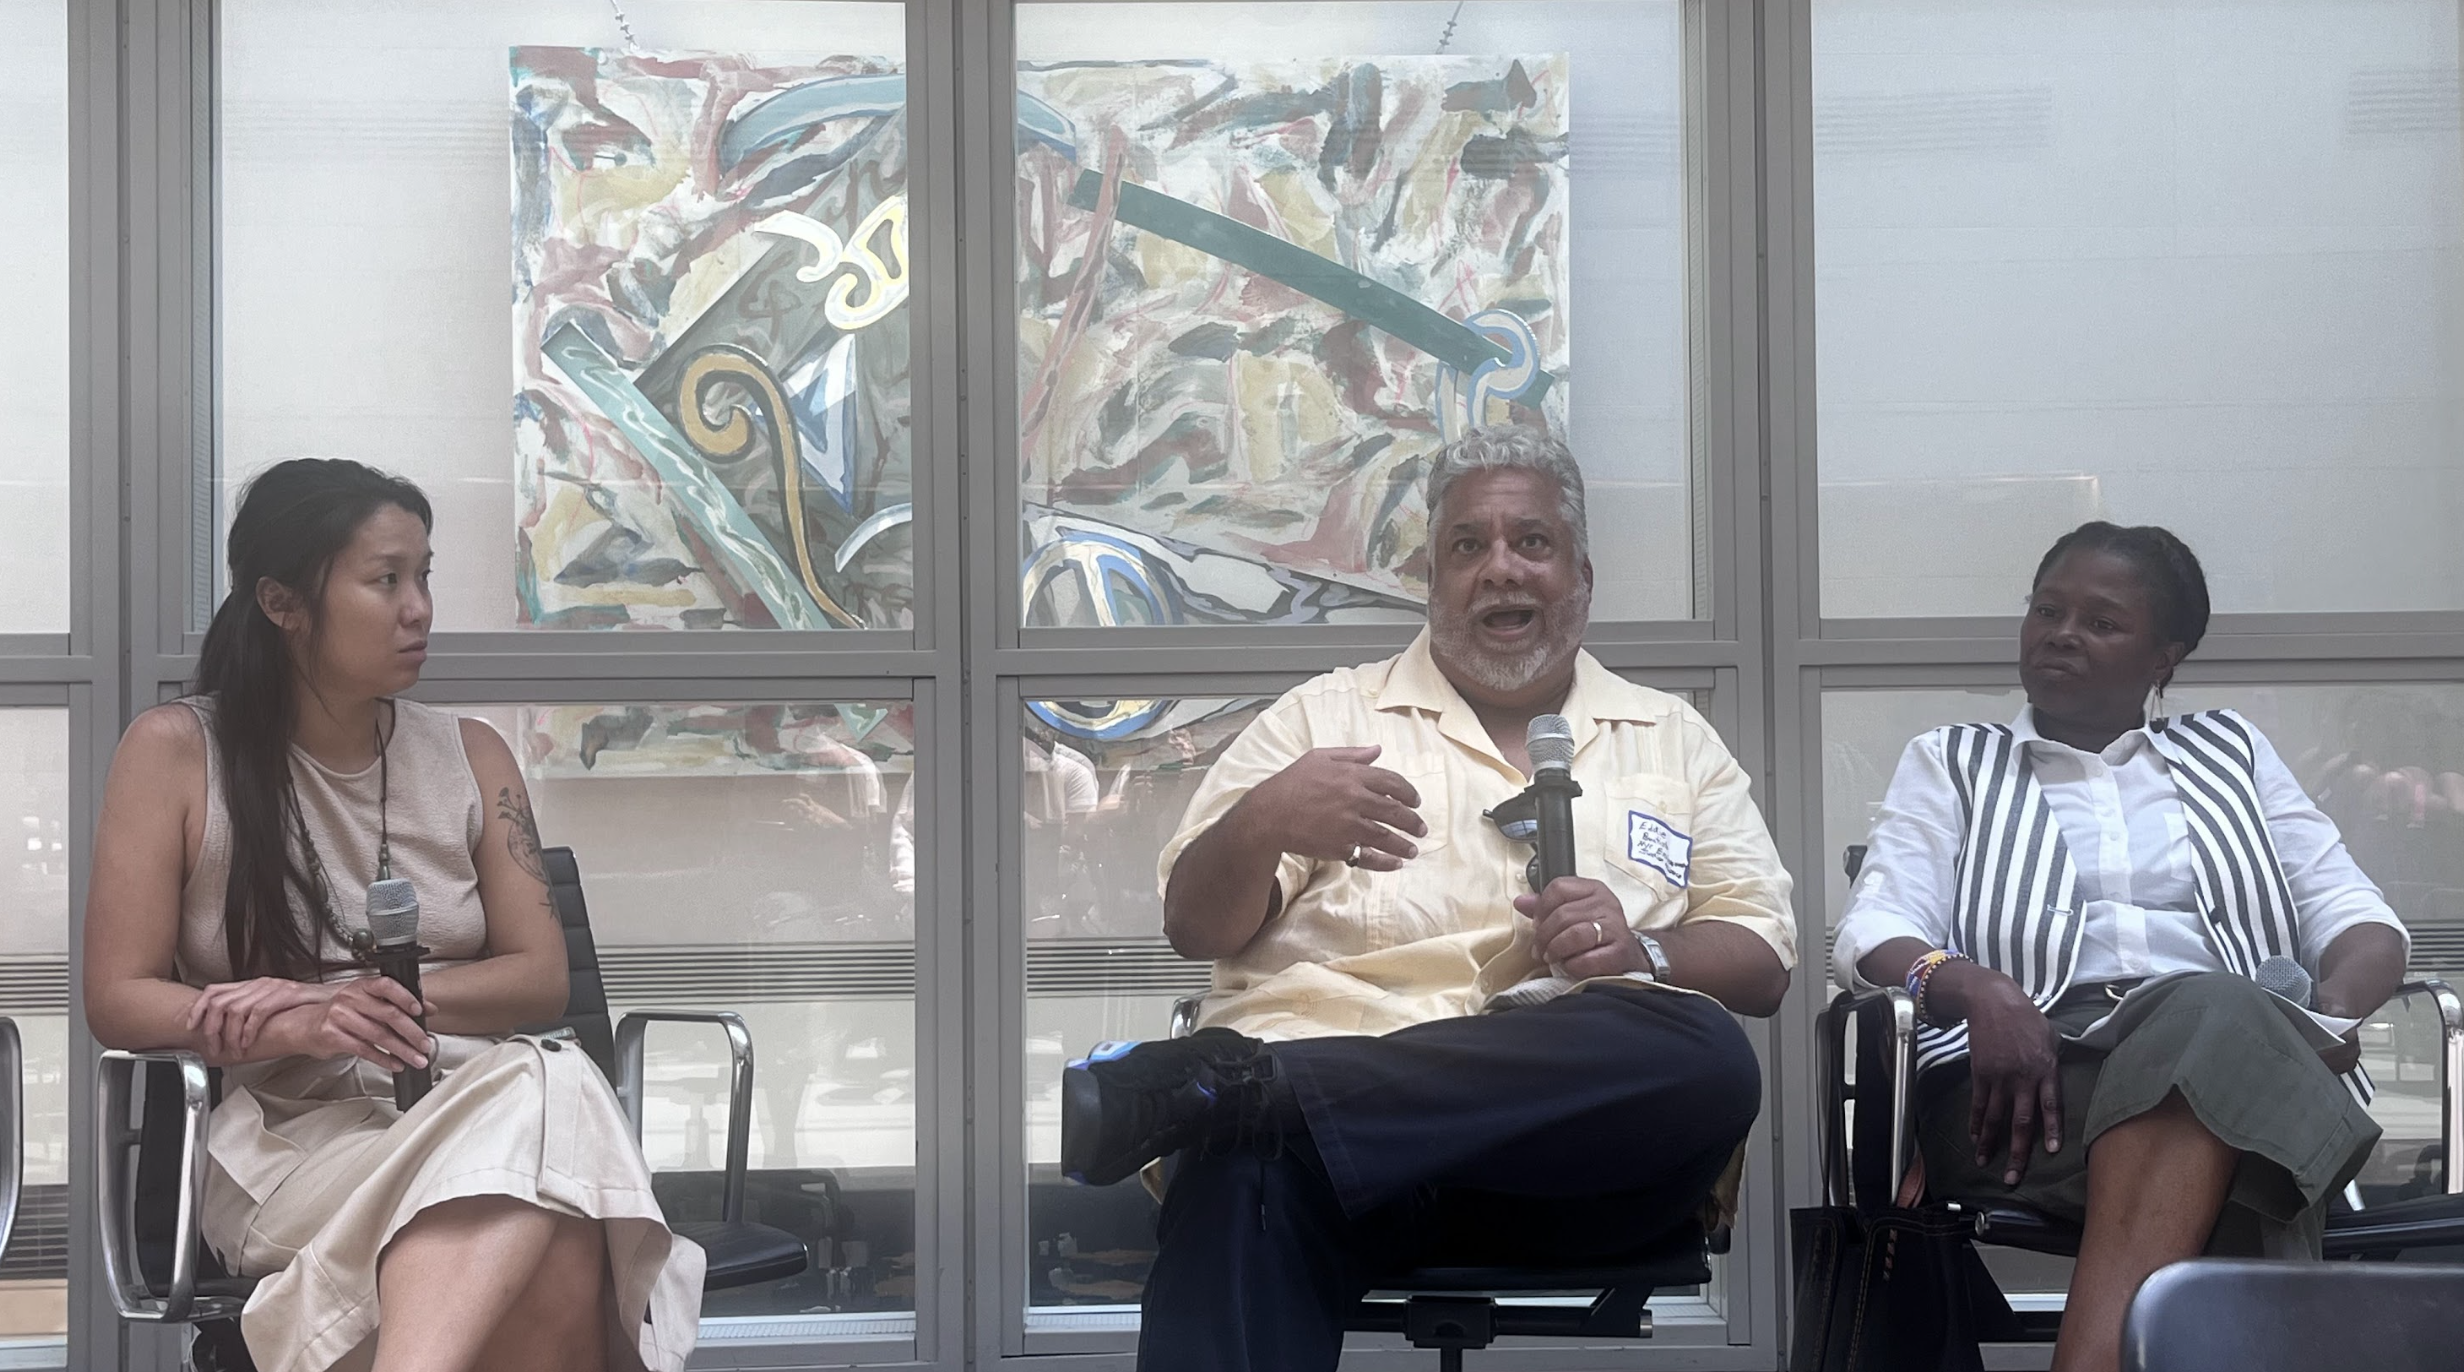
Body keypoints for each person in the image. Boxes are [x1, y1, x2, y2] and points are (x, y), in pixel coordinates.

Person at [1058, 425, 1796, 1372]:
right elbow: (1193, 925)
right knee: (1238, 1180)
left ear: (1581, 573)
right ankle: (1260, 1107)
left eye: (1532, 542)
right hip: (1319, 1173)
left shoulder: (1673, 737)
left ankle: (1252, 1091)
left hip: (1571, 1165)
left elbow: (1766, 962)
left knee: (1710, 1056)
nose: (1501, 570)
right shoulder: (1324, 718)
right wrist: (1264, 819)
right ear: (1432, 577)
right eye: (1467, 547)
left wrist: (1642, 954)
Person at [84, 460, 703, 1372]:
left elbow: (540, 976)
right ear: (283, 602)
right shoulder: (176, 753)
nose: (418, 607)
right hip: (291, 1147)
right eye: (385, 580)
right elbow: (115, 998)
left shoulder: (473, 754)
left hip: (470, 1110)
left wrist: (389, 1000)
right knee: (558, 1161)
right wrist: (306, 1015)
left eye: (424, 575)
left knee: (543, 1105)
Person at [1834, 521, 2409, 1372]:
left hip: (2239, 1048)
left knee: (2219, 1029)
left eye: (2102, 622)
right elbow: (1874, 929)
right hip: (2024, 1096)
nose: (2062, 633)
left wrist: (2321, 1018)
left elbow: (2357, 916)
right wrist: (1978, 989)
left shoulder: (2235, 752)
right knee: (2236, 1079)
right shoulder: (1952, 762)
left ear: (2164, 657)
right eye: (2047, 610)